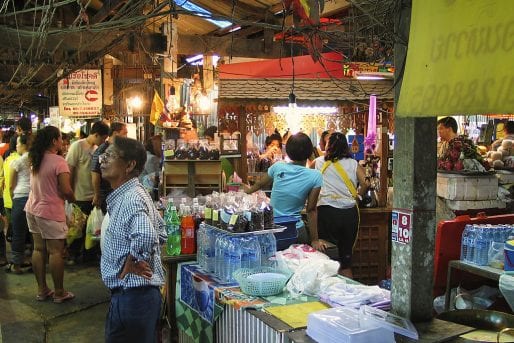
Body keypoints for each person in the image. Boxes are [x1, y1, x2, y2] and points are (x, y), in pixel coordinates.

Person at [99, 136, 166, 342]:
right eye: (104, 155)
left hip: (135, 297)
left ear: (129, 165)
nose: (102, 160)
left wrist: (134, 260)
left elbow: (146, 234)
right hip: (131, 296)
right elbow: (162, 231)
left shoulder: (131, 199)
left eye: (109, 155)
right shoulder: (128, 194)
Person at [245, 132, 323, 249]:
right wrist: (315, 240)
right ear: (309, 152)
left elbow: (259, 184)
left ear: (288, 151)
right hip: (295, 230)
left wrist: (244, 193)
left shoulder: (278, 166)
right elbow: (311, 210)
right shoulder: (316, 175)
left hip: (273, 228)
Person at [25, 126, 76, 303]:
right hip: (50, 210)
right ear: (54, 141)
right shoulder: (58, 161)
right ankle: (59, 293)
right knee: (56, 252)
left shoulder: (35, 158)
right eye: (60, 138)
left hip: (32, 208)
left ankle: (42, 290)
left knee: (38, 249)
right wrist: (73, 198)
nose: (62, 141)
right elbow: (66, 189)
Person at [314, 132, 369, 277]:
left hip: (327, 212)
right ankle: (348, 296)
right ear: (346, 146)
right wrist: (358, 196)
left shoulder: (319, 162)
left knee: (328, 260)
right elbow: (365, 183)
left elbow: (308, 180)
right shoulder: (353, 163)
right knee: (345, 262)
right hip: (349, 213)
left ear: (328, 146)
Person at [66, 120, 109, 263]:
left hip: (94, 195)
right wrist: (70, 193)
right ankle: (73, 255)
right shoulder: (77, 146)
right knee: (77, 229)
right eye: (102, 138)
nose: (103, 141)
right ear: (96, 134)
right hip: (79, 195)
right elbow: (69, 170)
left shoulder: (96, 149)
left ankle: (88, 256)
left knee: (92, 229)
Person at [6, 133, 32, 274]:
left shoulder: (17, 161)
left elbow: (10, 185)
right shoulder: (36, 159)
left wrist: (13, 197)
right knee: (34, 233)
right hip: (35, 198)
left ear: (24, 145)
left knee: (18, 232)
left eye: (17, 144)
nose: (16, 146)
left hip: (20, 198)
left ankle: (16, 264)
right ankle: (35, 262)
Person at [91, 122, 127, 213]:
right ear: (115, 134)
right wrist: (96, 194)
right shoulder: (103, 150)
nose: (126, 136)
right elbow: (95, 172)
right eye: (124, 133)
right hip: (106, 196)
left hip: (116, 193)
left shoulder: (117, 148)